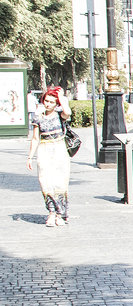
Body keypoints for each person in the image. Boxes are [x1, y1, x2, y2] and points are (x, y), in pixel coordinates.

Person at [25, 87, 73, 226]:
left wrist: (61, 97)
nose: (48, 104)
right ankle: (51, 212)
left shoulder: (60, 115)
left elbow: (68, 112)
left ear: (56, 104)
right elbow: (35, 138)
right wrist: (30, 157)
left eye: (52, 102)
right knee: (45, 181)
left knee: (60, 182)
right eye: (46, 101)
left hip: (59, 149)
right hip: (44, 149)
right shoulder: (38, 117)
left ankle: (60, 214)